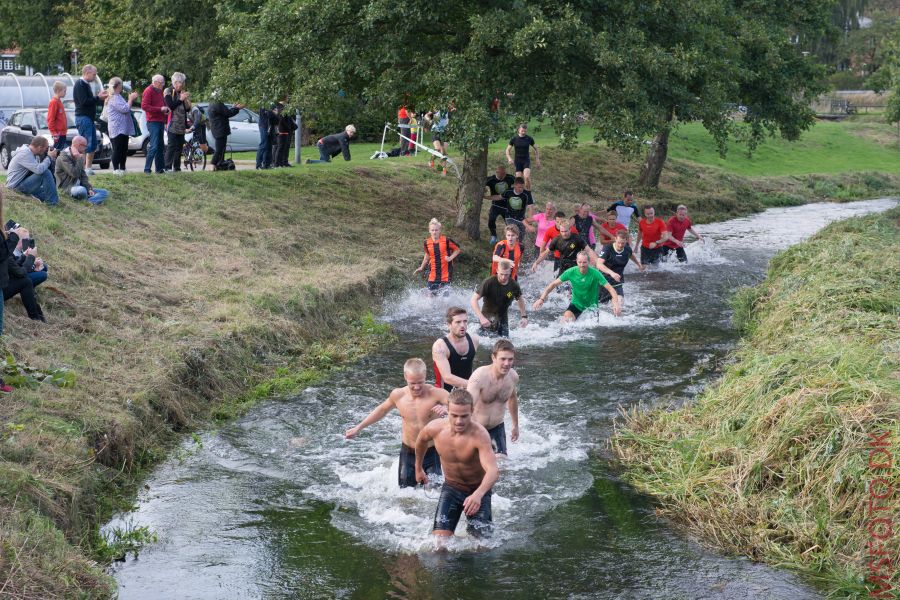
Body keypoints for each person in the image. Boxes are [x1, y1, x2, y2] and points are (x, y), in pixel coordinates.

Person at [345, 358, 449, 488]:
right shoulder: (398, 395)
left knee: (435, 492)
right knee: (405, 494)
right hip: (408, 452)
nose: (417, 387)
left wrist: (447, 408)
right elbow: (382, 410)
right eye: (413, 383)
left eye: (420, 382)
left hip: (431, 452)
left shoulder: (437, 394)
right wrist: (358, 428)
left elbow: (462, 405)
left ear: (425, 376)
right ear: (405, 377)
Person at [415, 389, 499, 539]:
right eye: (454, 415)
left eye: (464, 416)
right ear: (447, 410)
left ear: (472, 411)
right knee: (439, 545)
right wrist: (418, 468)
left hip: (477, 490)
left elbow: (493, 471)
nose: (459, 421)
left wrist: (478, 495)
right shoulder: (435, 428)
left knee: (481, 547)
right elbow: (421, 441)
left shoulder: (480, 435)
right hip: (452, 488)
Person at [533, 251, 622, 322]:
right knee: (565, 322)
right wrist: (541, 299)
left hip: (592, 307)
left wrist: (616, 304)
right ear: (576, 261)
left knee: (591, 332)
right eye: (579, 262)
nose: (582, 265)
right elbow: (553, 284)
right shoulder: (571, 272)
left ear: (589, 262)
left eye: (584, 262)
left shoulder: (595, 273)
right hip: (576, 305)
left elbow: (610, 288)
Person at [466, 339, 519, 455]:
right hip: (477, 428)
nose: (507, 363)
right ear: (493, 358)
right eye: (503, 359)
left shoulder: (513, 377)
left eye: (510, 359)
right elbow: (467, 405)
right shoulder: (480, 376)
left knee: (502, 466)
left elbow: (512, 398)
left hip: (497, 428)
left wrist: (515, 425)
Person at [471, 260, 527, 338]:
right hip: (487, 318)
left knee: (504, 343)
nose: (504, 277)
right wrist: (481, 318)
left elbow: (520, 299)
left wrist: (524, 317)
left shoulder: (513, 285)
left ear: (510, 272)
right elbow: (473, 300)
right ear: (497, 271)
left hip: (503, 318)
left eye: (506, 275)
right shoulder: (489, 282)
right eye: (501, 274)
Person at [2, 225, 45, 323]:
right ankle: (36, 318)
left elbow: (13, 267)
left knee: (25, 280)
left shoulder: (4, 251)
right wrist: (30, 257)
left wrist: (23, 257)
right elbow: (20, 272)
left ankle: (38, 316)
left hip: (3, 285)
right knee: (25, 281)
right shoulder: (5, 253)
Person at [531, 216, 598, 276]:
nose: (564, 234)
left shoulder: (577, 238)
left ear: (570, 229)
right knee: (558, 286)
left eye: (566, 231)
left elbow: (589, 250)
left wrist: (596, 261)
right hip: (564, 264)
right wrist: (536, 262)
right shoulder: (556, 240)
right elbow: (546, 253)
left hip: (576, 264)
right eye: (562, 231)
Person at [432, 307, 479, 392]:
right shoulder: (440, 346)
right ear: (449, 325)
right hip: (444, 393)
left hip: (467, 390)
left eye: (465, 321)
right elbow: (447, 378)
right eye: (458, 322)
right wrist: (474, 384)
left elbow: (467, 365)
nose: (462, 325)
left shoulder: (474, 340)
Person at [73, 65, 108, 176]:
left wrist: (100, 98)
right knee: (85, 144)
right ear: (87, 73)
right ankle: (83, 169)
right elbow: (84, 102)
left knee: (91, 143)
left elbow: (90, 101)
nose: (95, 76)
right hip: (83, 118)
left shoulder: (86, 85)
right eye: (93, 74)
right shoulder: (80, 84)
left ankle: (87, 168)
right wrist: (98, 98)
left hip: (88, 118)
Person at [5, 138, 59, 206]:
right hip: (15, 187)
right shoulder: (25, 153)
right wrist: (49, 157)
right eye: (46, 148)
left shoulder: (32, 153)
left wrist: (51, 159)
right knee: (45, 173)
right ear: (40, 147)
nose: (47, 150)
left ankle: (45, 198)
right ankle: (52, 204)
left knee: (48, 192)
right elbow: (39, 170)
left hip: (22, 182)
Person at [55, 136, 108, 205]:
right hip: (67, 188)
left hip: (80, 186)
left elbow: (83, 175)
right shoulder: (63, 157)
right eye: (85, 146)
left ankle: (88, 201)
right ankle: (91, 201)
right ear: (78, 145)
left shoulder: (79, 156)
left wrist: (88, 188)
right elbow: (74, 173)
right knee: (81, 190)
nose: (86, 149)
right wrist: (79, 159)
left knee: (104, 192)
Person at [598, 229, 644, 305]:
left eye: (622, 243)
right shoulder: (607, 248)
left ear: (626, 241)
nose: (620, 245)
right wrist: (612, 273)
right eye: (618, 242)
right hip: (603, 281)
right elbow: (599, 264)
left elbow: (631, 255)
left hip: (617, 281)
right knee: (602, 305)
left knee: (619, 303)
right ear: (615, 239)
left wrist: (638, 264)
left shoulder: (627, 249)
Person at [415, 218, 461, 295]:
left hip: (446, 274)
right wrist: (422, 267)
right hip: (433, 274)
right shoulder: (426, 242)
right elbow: (427, 255)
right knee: (430, 296)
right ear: (429, 230)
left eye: (436, 230)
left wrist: (450, 258)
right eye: (432, 230)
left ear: (439, 230)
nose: (434, 232)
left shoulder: (446, 240)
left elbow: (457, 250)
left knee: (445, 298)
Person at [105, 78, 138, 175]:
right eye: (121, 85)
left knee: (124, 149)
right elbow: (125, 109)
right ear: (117, 86)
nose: (122, 87)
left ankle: (123, 168)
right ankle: (116, 169)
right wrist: (131, 99)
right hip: (117, 128)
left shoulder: (118, 96)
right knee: (118, 148)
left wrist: (130, 100)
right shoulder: (113, 97)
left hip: (123, 128)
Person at [141, 74, 170, 174]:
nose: (163, 85)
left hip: (160, 120)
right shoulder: (148, 91)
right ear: (156, 82)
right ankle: (147, 169)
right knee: (153, 145)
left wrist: (165, 109)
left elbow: (162, 104)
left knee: (160, 146)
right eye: (162, 83)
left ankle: (160, 169)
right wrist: (160, 109)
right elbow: (144, 106)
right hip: (153, 121)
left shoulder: (159, 91)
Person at [163, 72, 191, 172]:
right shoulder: (168, 91)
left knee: (179, 147)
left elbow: (187, 109)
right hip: (172, 123)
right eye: (181, 82)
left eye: (183, 83)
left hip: (181, 125)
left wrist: (186, 100)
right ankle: (167, 167)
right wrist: (180, 99)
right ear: (175, 82)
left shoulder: (181, 92)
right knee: (171, 146)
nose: (182, 85)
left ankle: (177, 168)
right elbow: (171, 105)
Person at [207, 97, 244, 170]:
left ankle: (219, 164)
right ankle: (212, 164)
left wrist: (233, 107)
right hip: (219, 130)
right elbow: (228, 113)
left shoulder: (213, 103)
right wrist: (237, 108)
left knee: (222, 149)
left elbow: (224, 112)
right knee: (219, 149)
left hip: (218, 129)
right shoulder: (217, 103)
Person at [484, 166, 515, 245]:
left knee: (509, 224)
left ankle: (511, 239)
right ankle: (493, 236)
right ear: (497, 172)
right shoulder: (491, 179)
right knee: (491, 219)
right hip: (496, 205)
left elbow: (519, 183)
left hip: (508, 205)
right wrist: (484, 189)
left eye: (504, 174)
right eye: (501, 174)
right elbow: (481, 185)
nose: (503, 176)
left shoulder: (510, 178)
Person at [505, 123, 540, 189]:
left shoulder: (529, 139)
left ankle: (528, 192)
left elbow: (536, 149)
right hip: (518, 161)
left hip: (526, 160)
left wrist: (537, 159)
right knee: (519, 180)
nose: (523, 132)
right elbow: (507, 150)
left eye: (525, 131)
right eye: (522, 131)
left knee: (526, 177)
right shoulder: (514, 139)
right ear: (518, 130)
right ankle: (522, 194)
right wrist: (509, 158)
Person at [500, 177, 535, 242]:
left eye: (522, 187)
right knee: (512, 233)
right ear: (515, 186)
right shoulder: (508, 191)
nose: (521, 189)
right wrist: (486, 197)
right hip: (510, 217)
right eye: (519, 187)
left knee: (520, 238)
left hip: (521, 219)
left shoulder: (526, 194)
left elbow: (531, 208)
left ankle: (518, 250)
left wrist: (529, 224)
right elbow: (499, 197)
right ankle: (509, 248)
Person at [426, 108, 450, 175]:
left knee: (444, 152)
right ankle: (431, 160)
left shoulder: (448, 111)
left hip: (444, 133)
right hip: (435, 131)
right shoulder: (436, 109)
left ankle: (443, 170)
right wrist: (429, 120)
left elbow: (448, 120)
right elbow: (426, 115)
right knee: (438, 149)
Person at [47, 81, 68, 151]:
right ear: (58, 91)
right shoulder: (54, 102)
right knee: (57, 153)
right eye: (64, 91)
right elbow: (50, 118)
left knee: (60, 153)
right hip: (58, 134)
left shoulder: (59, 101)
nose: (65, 93)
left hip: (62, 133)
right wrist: (53, 133)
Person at [255, 103, 274, 169]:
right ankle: (258, 165)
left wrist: (274, 113)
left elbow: (276, 117)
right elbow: (269, 115)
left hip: (270, 127)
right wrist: (273, 112)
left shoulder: (271, 104)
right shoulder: (264, 104)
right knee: (263, 145)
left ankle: (267, 164)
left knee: (269, 146)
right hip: (264, 126)